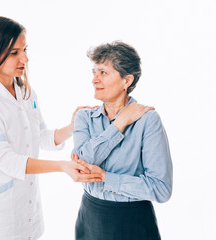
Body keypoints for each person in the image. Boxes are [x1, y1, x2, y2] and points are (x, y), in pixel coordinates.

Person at [0, 16, 102, 240]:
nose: (25, 58)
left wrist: (72, 126)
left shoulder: (25, 92)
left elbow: (40, 137)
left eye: (24, 49)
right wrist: (62, 166)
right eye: (14, 52)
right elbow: (7, 160)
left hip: (28, 208)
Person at [72, 41, 173, 240]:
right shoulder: (84, 116)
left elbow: (161, 189)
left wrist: (105, 178)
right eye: (94, 72)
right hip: (89, 216)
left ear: (126, 81)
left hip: (133, 222)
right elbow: (81, 163)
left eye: (103, 72)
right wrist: (120, 123)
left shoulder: (148, 120)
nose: (94, 79)